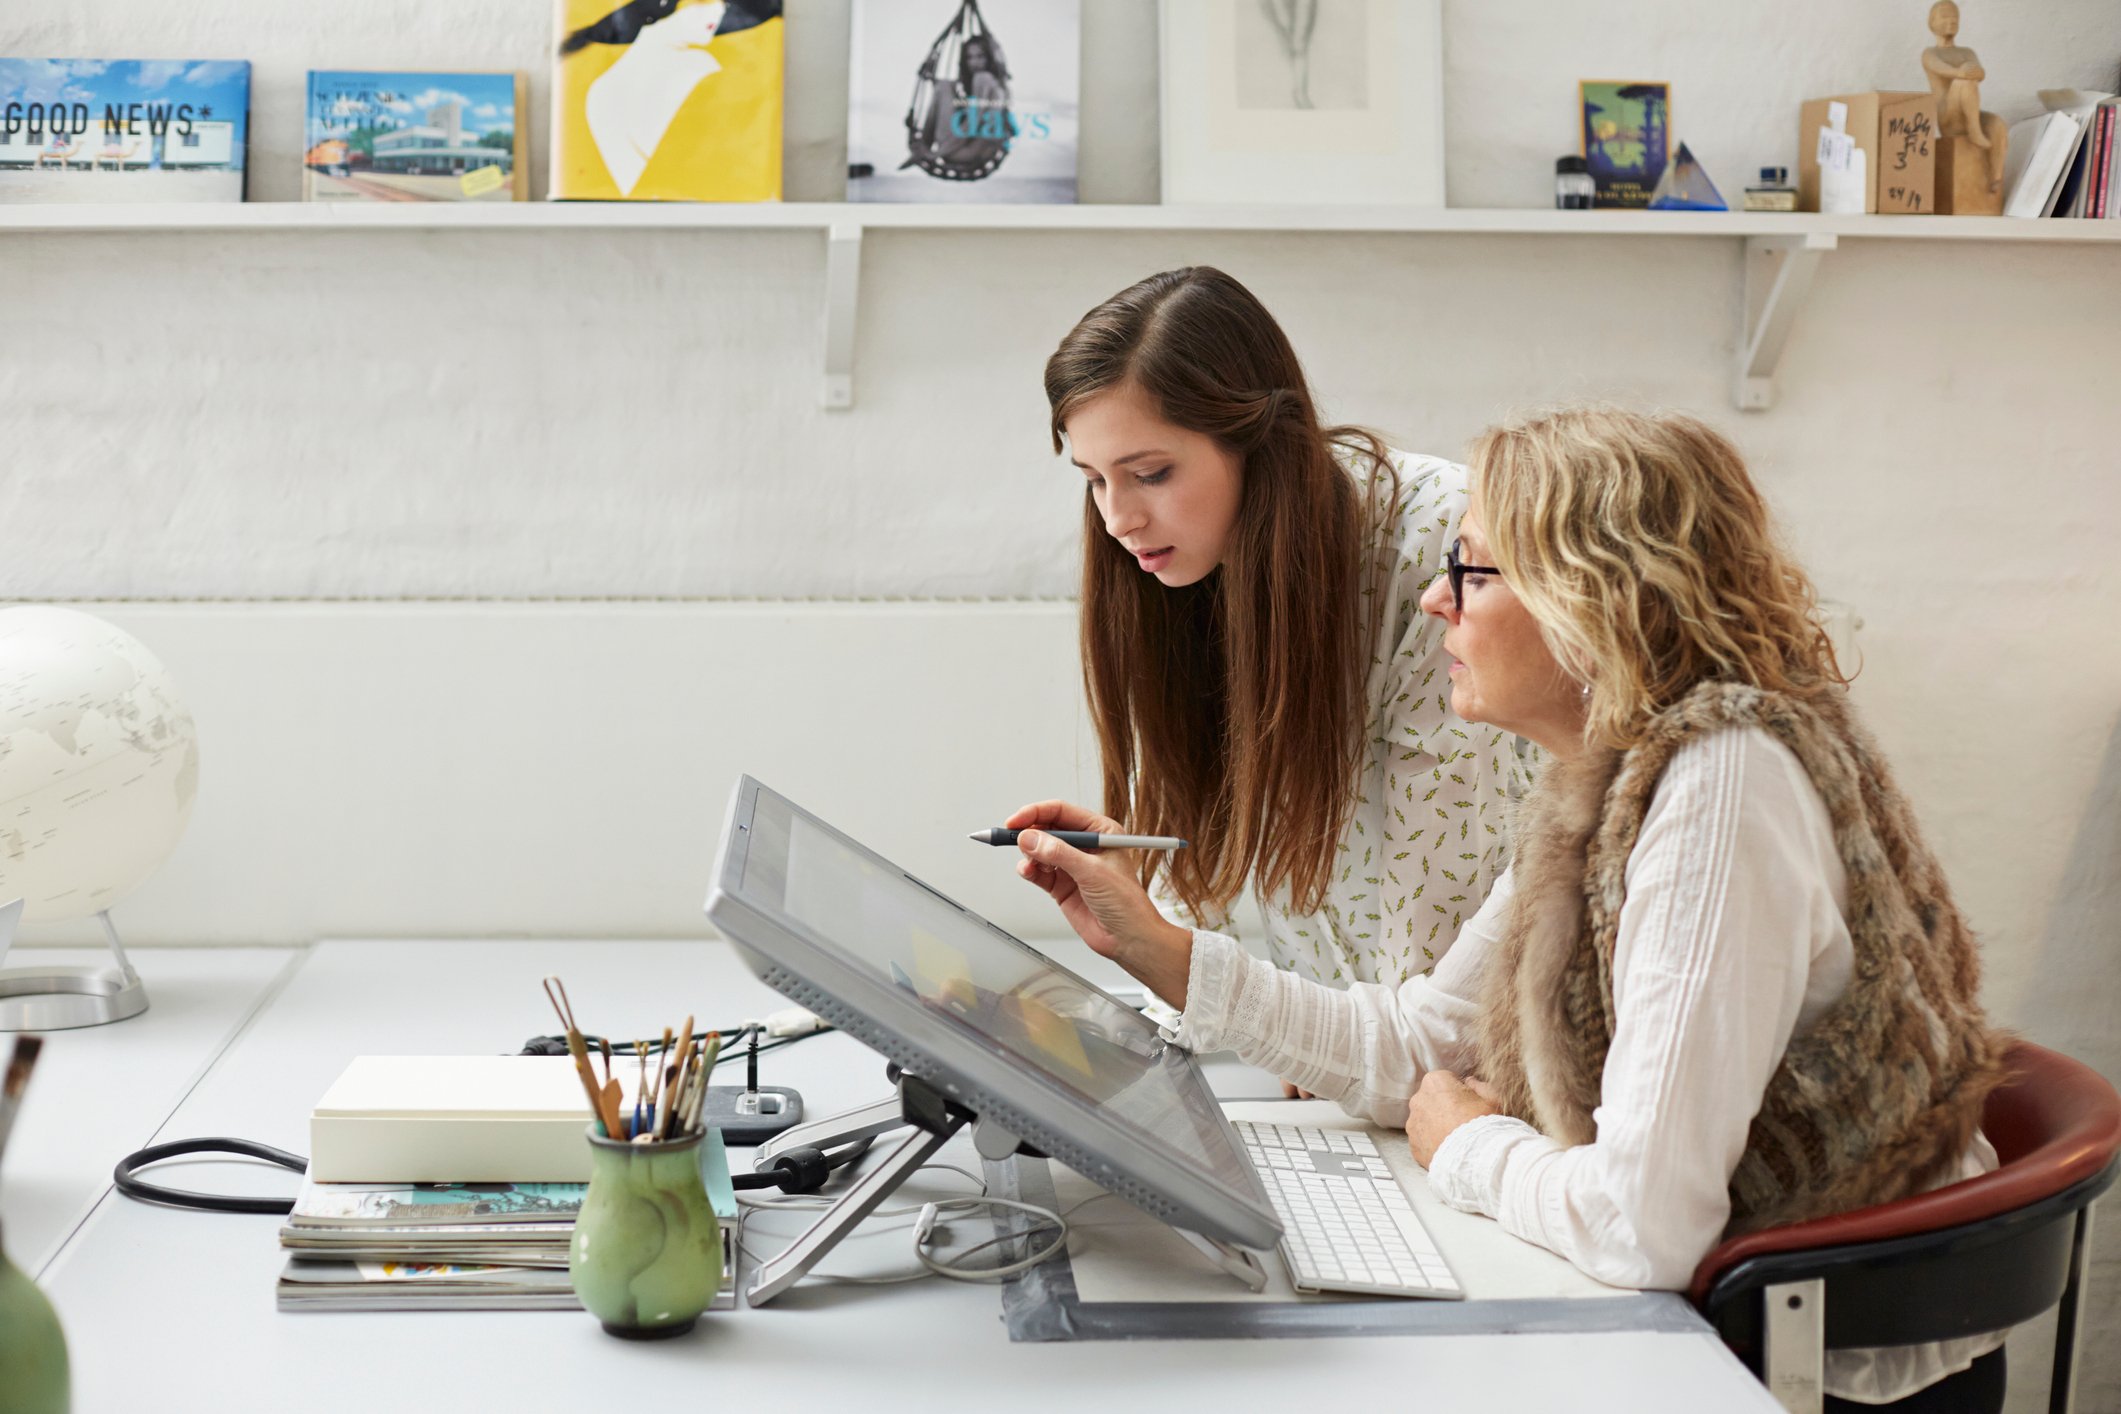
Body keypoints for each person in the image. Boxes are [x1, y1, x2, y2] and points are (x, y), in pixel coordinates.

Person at [1011, 404, 2009, 1412]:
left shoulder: (1718, 789)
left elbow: (1642, 1224)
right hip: (1718, 1317)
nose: (1439, 604)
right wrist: (1155, 944)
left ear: (1598, 597)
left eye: (1475, 573)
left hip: (1815, 1363)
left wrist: (1470, 1147)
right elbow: (1424, 1039)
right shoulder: (1604, 777)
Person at [1011, 266, 1523, 1027]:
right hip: (1357, 1047)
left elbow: (1439, 898)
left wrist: (1329, 1049)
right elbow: (1201, 856)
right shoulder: (1189, 564)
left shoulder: (1438, 545)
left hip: (1466, 1051)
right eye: (1092, 480)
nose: (1117, 519)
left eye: (1149, 474)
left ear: (1257, 439)